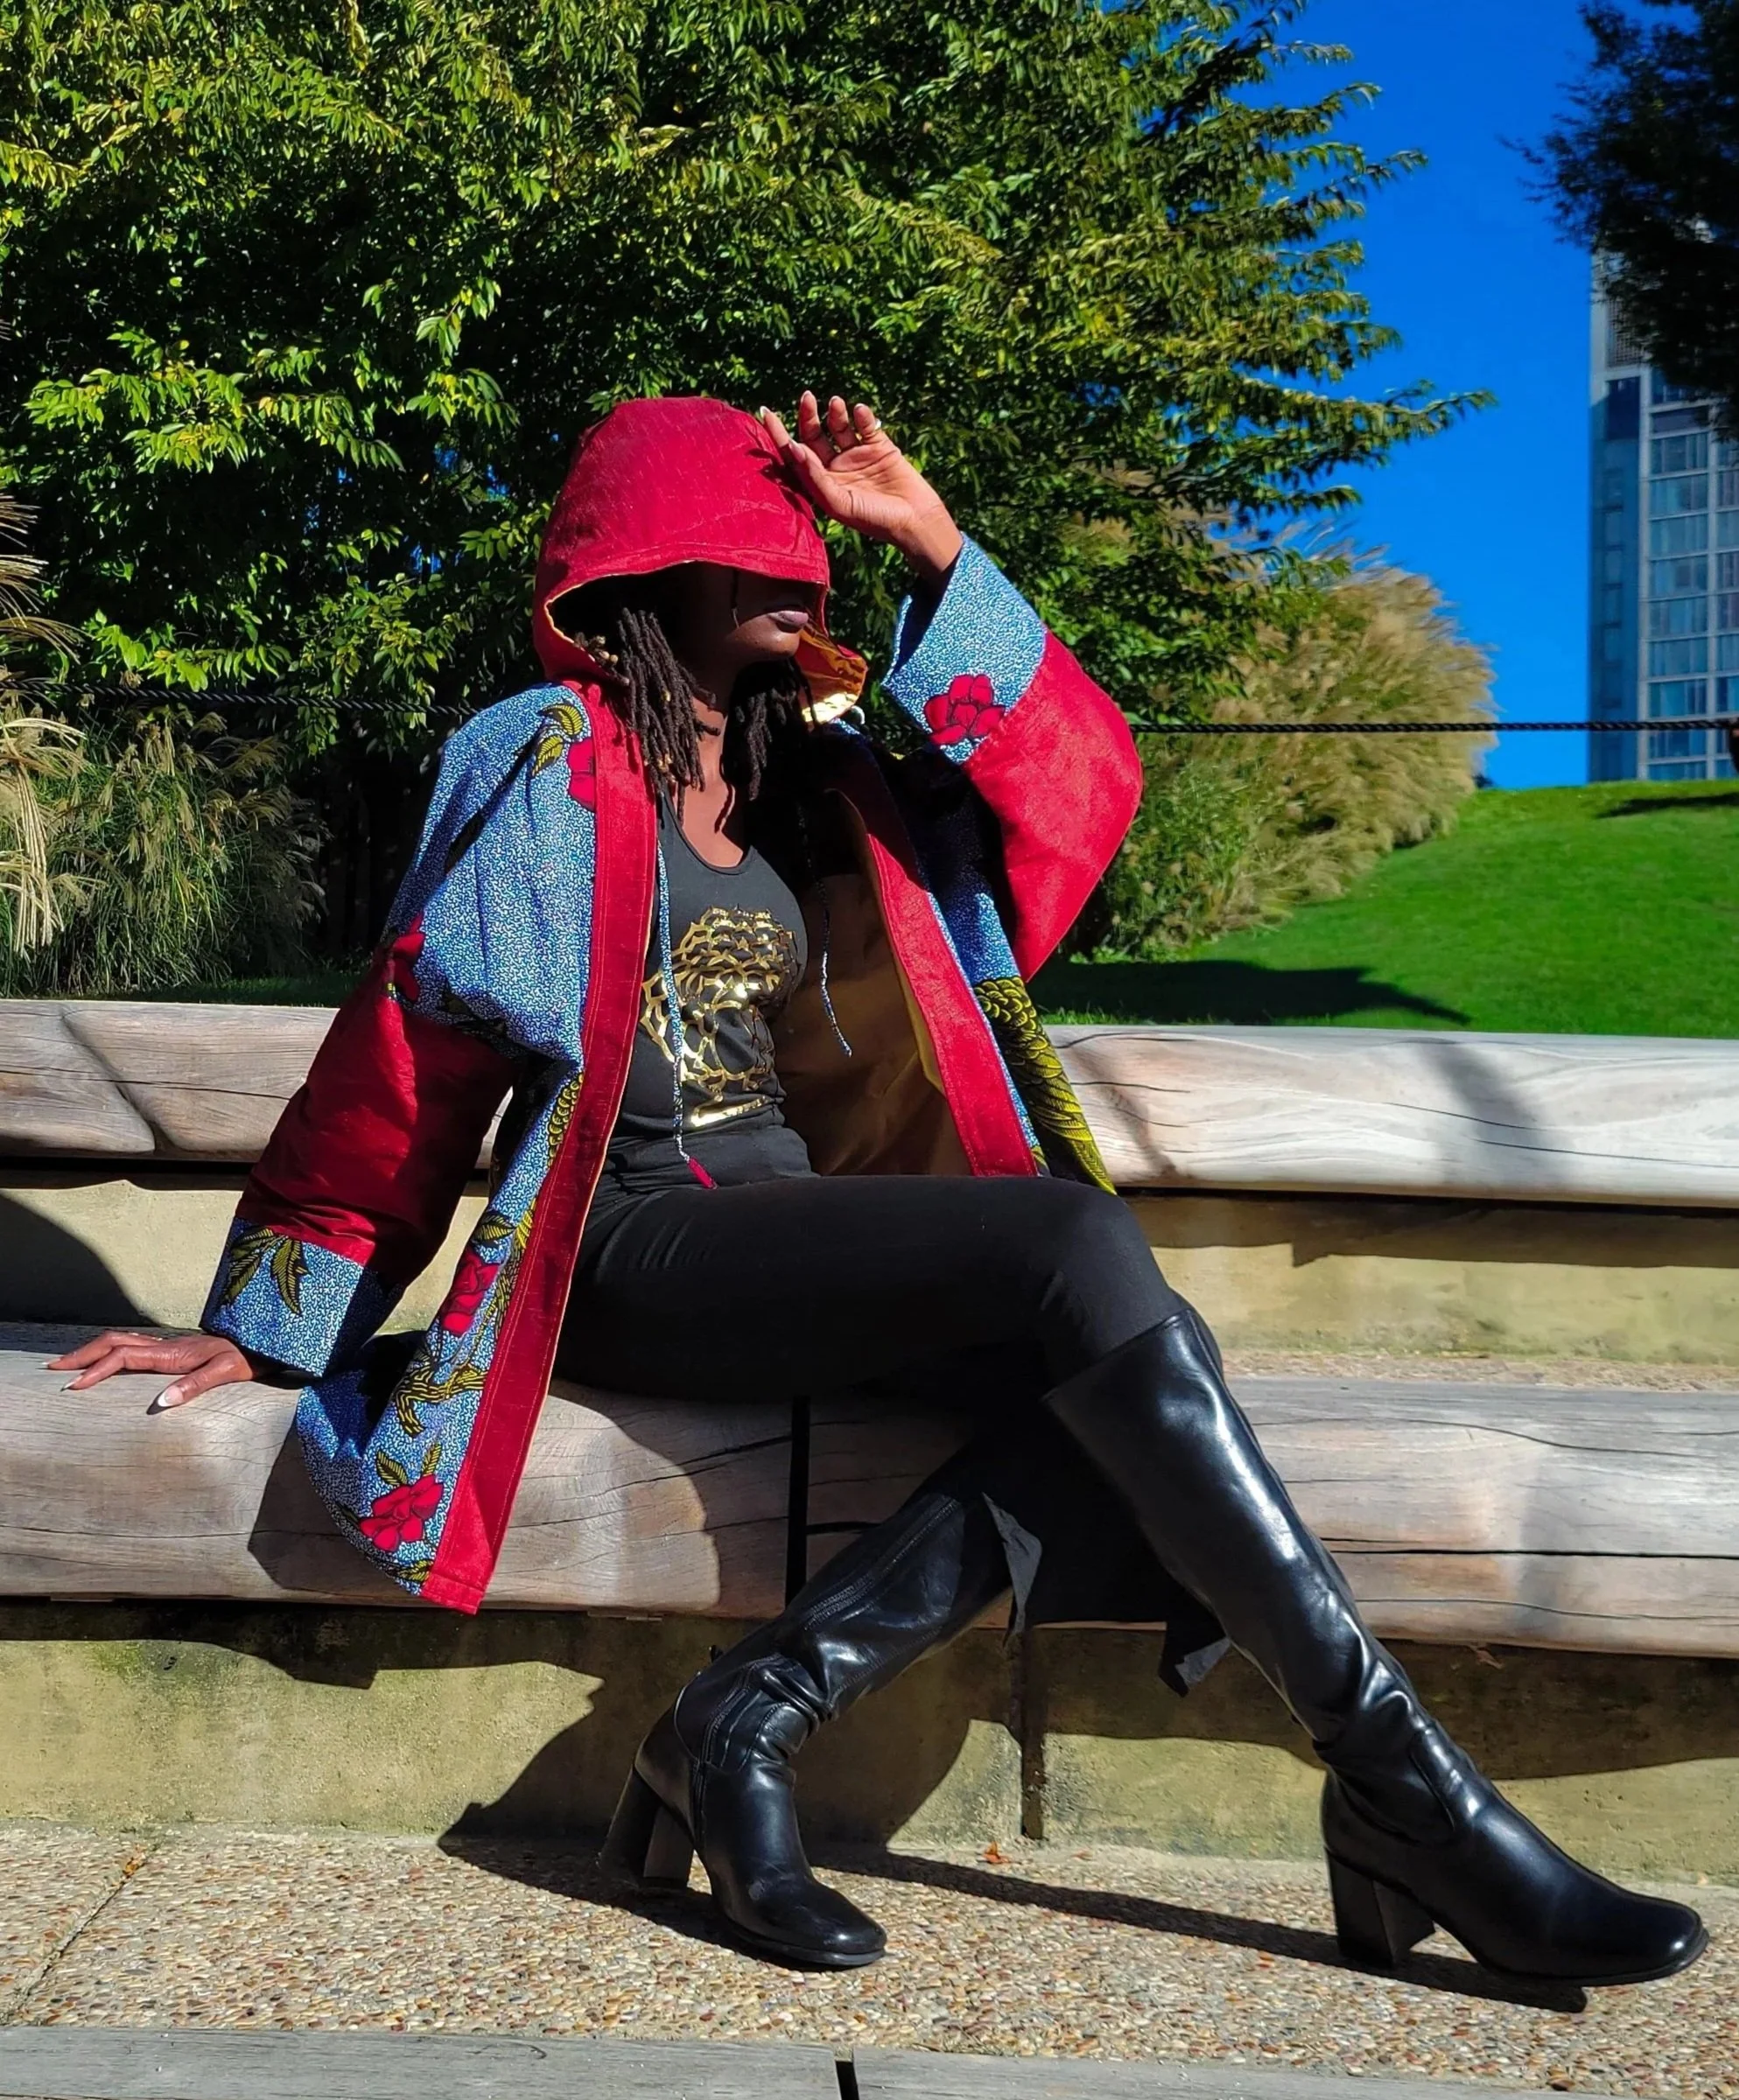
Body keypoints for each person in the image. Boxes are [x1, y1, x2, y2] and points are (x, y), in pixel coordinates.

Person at [56, 392, 1704, 1992]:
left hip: (794, 1239)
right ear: (646, 572)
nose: (799, 575)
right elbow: (409, 1043)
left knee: (1136, 1367)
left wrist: (929, 543)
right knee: (1075, 1243)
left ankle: (747, 1717)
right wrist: (275, 1329)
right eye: (753, 549)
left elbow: (1080, 795)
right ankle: (1418, 1803)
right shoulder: (543, 760)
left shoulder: (819, 785)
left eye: (811, 554)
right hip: (635, 1246)